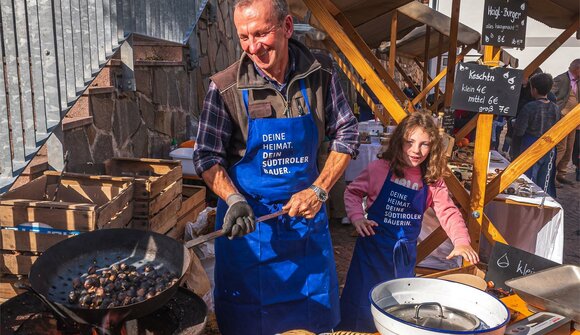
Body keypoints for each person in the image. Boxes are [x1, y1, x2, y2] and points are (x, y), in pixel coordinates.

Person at [192, 0, 359, 333]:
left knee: (311, 321)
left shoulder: (320, 74)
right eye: (244, 37)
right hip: (250, 229)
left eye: (261, 33)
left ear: (286, 27)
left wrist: (320, 188)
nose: (253, 47)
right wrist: (234, 200)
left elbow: (347, 131)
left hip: (305, 226)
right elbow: (206, 155)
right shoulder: (225, 87)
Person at [338, 112, 479, 332]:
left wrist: (462, 241)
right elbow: (353, 192)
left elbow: (448, 212)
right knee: (360, 304)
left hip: (403, 257)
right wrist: (357, 217)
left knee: (398, 305)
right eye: (410, 142)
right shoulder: (379, 169)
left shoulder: (432, 180)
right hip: (371, 252)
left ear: (433, 147)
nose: (416, 150)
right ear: (398, 142)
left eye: (424, 144)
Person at [514, 73, 561, 198]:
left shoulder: (529, 107)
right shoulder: (555, 108)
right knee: (544, 182)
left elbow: (519, 131)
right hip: (550, 146)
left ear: (533, 89)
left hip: (530, 145)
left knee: (528, 181)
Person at [551, 59, 579, 186]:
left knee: (569, 148)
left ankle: (561, 174)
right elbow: (551, 95)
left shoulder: (578, 82)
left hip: (573, 120)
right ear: (577, 69)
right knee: (561, 147)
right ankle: (550, 175)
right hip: (562, 118)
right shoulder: (561, 79)